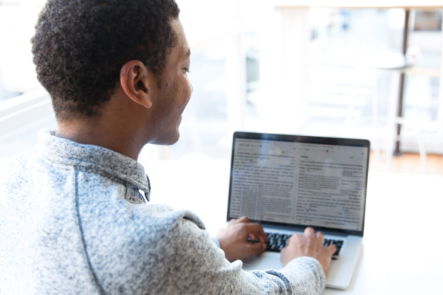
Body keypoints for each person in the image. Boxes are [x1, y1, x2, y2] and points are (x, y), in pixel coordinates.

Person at [0, 0, 337, 294]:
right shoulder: (157, 238)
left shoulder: (11, 179)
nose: (190, 86)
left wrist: (212, 249)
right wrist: (308, 262)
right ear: (139, 83)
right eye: (184, 68)